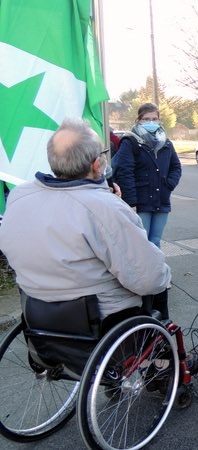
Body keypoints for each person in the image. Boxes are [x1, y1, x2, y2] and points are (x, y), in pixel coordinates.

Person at [0, 118, 171, 326]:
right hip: (101, 322)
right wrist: (117, 207)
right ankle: (163, 355)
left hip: (38, 316)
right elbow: (150, 279)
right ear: (97, 165)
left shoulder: (19, 196)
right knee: (159, 283)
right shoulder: (105, 208)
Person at [112, 103, 182, 248]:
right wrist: (131, 203)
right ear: (138, 120)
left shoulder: (165, 142)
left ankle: (155, 271)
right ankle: (141, 271)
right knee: (141, 244)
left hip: (161, 200)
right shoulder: (130, 142)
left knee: (155, 242)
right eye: (146, 119)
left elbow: (175, 167)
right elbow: (125, 172)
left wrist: (169, 184)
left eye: (154, 119)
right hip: (140, 202)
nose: (151, 122)